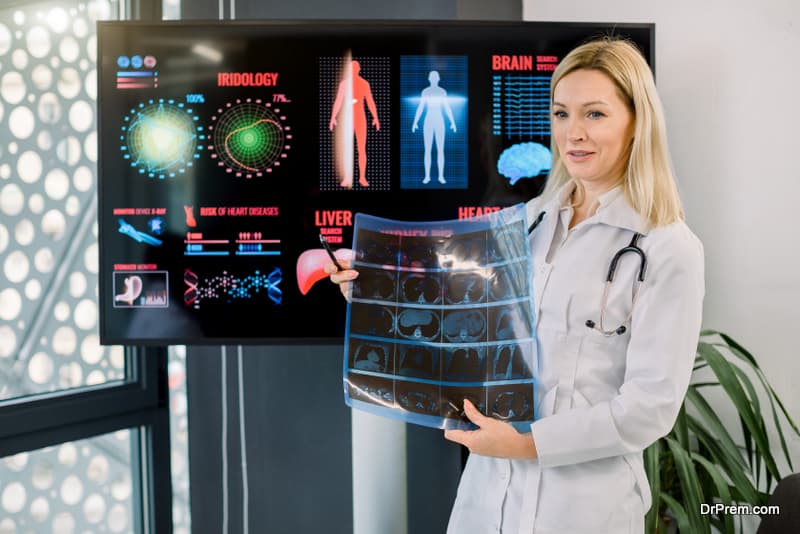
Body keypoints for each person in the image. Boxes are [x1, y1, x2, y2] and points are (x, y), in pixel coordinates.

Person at [326, 37, 704, 533]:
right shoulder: (523, 225)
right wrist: (373, 292)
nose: (574, 134)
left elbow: (649, 409)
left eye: (595, 114)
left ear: (637, 124)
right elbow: (458, 331)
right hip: (486, 499)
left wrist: (527, 445)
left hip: (585, 510)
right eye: (562, 113)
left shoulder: (667, 247)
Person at [329, 59, 381, 188]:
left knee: (361, 149)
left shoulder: (364, 83)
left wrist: (376, 117)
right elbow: (338, 101)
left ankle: (362, 177)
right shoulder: (344, 84)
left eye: (355, 68)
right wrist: (332, 117)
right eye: (351, 68)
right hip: (347, 119)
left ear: (358, 70)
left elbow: (370, 101)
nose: (353, 70)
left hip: (360, 118)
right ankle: (347, 177)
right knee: (347, 149)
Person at [412, 70, 457, 184]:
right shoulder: (425, 92)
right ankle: (427, 176)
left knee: (440, 150)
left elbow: (447, 107)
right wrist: (415, 122)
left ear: (438, 79)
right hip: (429, 119)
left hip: (439, 119)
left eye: (435, 78)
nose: (434, 80)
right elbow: (421, 107)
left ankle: (441, 176)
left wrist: (452, 122)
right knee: (427, 150)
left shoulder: (442, 92)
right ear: (429, 79)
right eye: (432, 78)